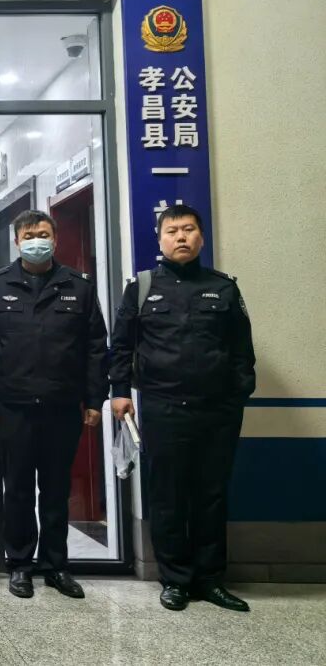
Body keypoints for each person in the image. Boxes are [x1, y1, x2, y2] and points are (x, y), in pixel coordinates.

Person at [110, 204, 255, 612]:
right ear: (160, 239)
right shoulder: (141, 288)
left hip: (217, 411)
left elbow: (242, 349)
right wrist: (120, 392)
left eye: (188, 230)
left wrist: (237, 394)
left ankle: (210, 579)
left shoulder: (223, 288)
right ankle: (175, 579)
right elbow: (120, 346)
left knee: (211, 494)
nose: (181, 237)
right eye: (172, 231)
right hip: (164, 407)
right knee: (168, 495)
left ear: (201, 238)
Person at [0, 209, 108, 600]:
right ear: (17, 241)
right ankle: (20, 564)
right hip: (13, 406)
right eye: (29, 236)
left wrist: (95, 398)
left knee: (57, 490)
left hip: (63, 406)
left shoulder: (79, 287)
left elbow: (96, 348)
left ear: (55, 239)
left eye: (43, 234)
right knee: (18, 490)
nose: (36, 241)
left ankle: (56, 565)